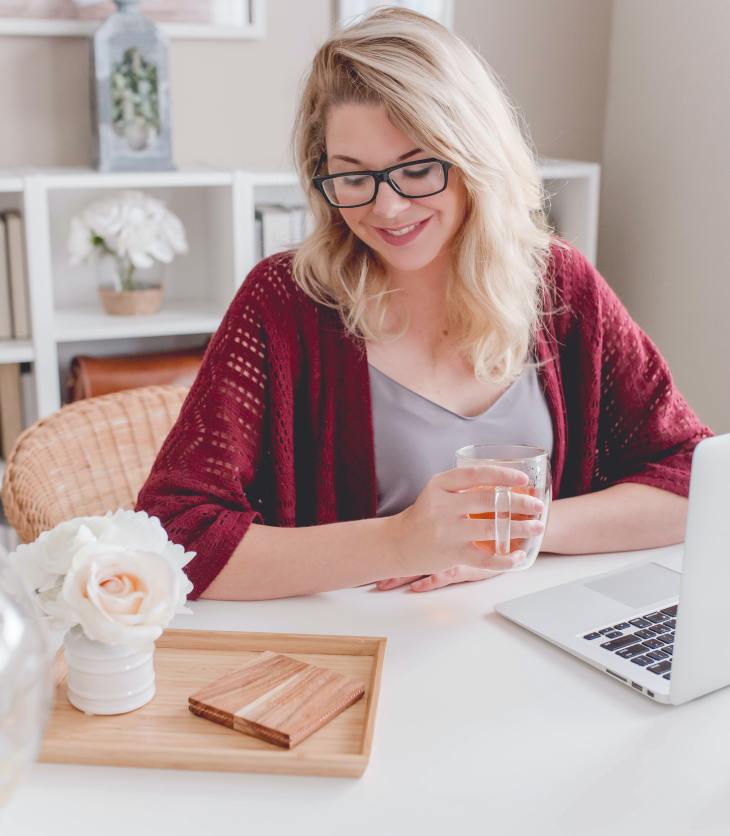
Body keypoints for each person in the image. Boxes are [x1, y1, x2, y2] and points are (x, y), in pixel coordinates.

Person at [135, 8, 713, 601]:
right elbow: (173, 536)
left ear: (474, 158)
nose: (386, 209)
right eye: (352, 176)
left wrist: (513, 535)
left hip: (527, 642)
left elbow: (694, 479)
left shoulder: (559, 286)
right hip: (355, 657)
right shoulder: (283, 303)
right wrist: (402, 541)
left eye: (416, 168)